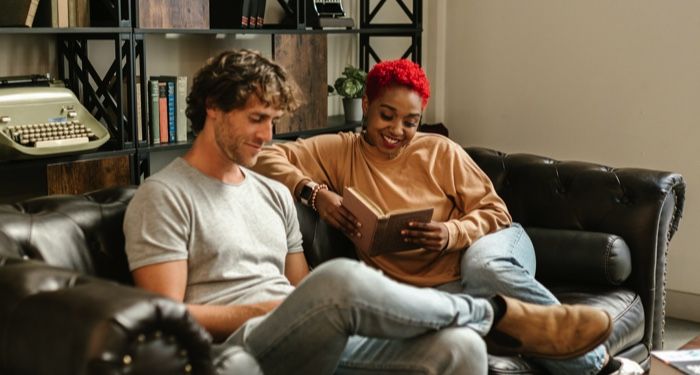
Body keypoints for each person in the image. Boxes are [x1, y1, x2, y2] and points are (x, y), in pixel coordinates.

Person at [124, 49, 613, 375]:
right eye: (257, 120)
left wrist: (306, 304)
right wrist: (282, 305)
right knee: (337, 280)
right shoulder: (164, 196)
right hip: (248, 343)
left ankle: (485, 321)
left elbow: (298, 286)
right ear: (212, 106)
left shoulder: (270, 194)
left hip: (313, 330)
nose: (268, 136)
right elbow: (166, 315)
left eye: (273, 122)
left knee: (461, 348)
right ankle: (499, 313)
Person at [252, 59, 644, 375]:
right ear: (367, 106)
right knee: (465, 316)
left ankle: (599, 367)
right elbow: (268, 154)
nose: (398, 130)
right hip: (436, 288)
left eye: (410, 121)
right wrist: (315, 193)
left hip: (492, 243)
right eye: (387, 115)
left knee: (483, 271)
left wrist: (451, 232)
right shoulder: (341, 150)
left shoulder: (439, 151)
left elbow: (495, 211)